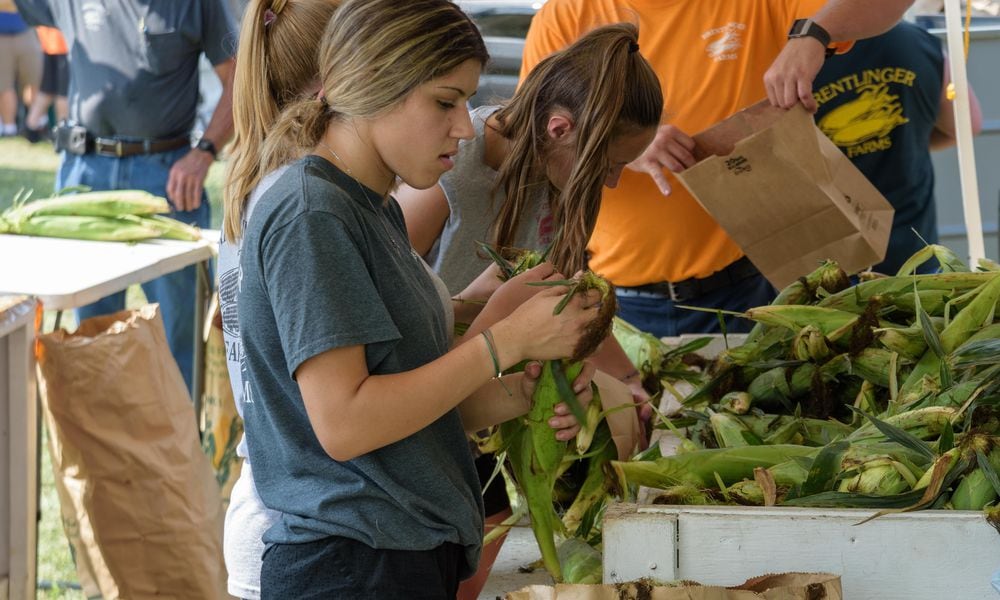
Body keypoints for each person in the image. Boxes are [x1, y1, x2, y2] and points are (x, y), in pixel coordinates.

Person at [236, 0, 602, 596]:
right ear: (376, 86)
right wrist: (504, 340)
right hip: (352, 566)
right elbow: (347, 423)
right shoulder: (313, 212)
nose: (465, 125)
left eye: (466, 101)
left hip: (398, 555)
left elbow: (413, 411)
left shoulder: (369, 204)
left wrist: (525, 390)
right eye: (444, 101)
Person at [396, 22, 661, 598]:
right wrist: (494, 314)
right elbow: (385, 310)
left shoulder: (567, 179)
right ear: (560, 128)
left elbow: (564, 294)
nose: (613, 182)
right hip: (429, 401)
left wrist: (627, 382)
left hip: (495, 400)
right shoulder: (447, 169)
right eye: (608, 165)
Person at [520, 0, 916, 338]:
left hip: (747, 288)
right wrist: (621, 146)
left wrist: (814, 33)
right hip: (615, 299)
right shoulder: (567, 14)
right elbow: (534, 140)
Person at [14, 0, 237, 392]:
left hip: (167, 176)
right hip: (85, 173)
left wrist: (204, 153)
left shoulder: (198, 4)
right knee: (88, 326)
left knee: (178, 325)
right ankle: (99, 439)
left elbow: (239, 82)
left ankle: (176, 441)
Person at [812, 20, 983, 275]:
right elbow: (966, 125)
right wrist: (909, 141)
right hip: (915, 252)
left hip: (831, 264)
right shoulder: (918, 41)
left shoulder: (798, 56)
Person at [0, 3, 40, 136]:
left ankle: (34, 125)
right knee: (4, 85)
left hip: (25, 31)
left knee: (34, 81)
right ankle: (9, 129)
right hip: (2, 35)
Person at [23, 24, 67, 142]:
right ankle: (62, 133)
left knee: (47, 90)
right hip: (62, 43)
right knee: (63, 93)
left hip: (48, 42)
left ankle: (31, 127)